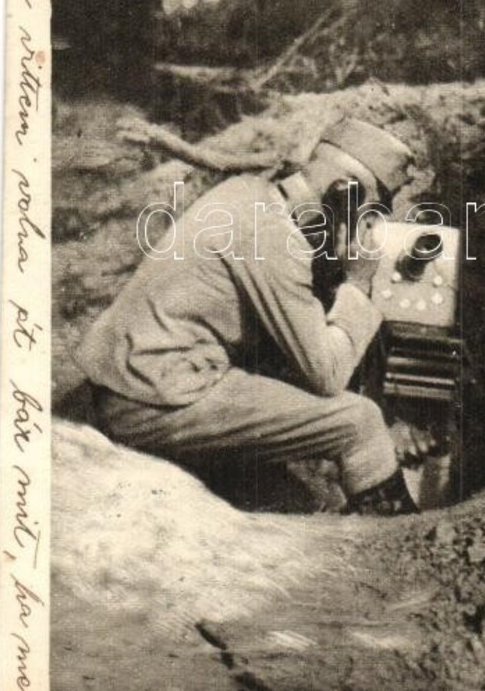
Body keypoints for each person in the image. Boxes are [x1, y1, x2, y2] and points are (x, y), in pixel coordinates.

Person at [76, 117, 419, 515]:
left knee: (300, 502)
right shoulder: (274, 237)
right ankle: (396, 549)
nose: (371, 226)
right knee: (359, 422)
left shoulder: (247, 193)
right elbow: (326, 375)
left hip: (136, 380)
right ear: (345, 194)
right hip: (154, 401)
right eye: (371, 211)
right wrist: (358, 285)